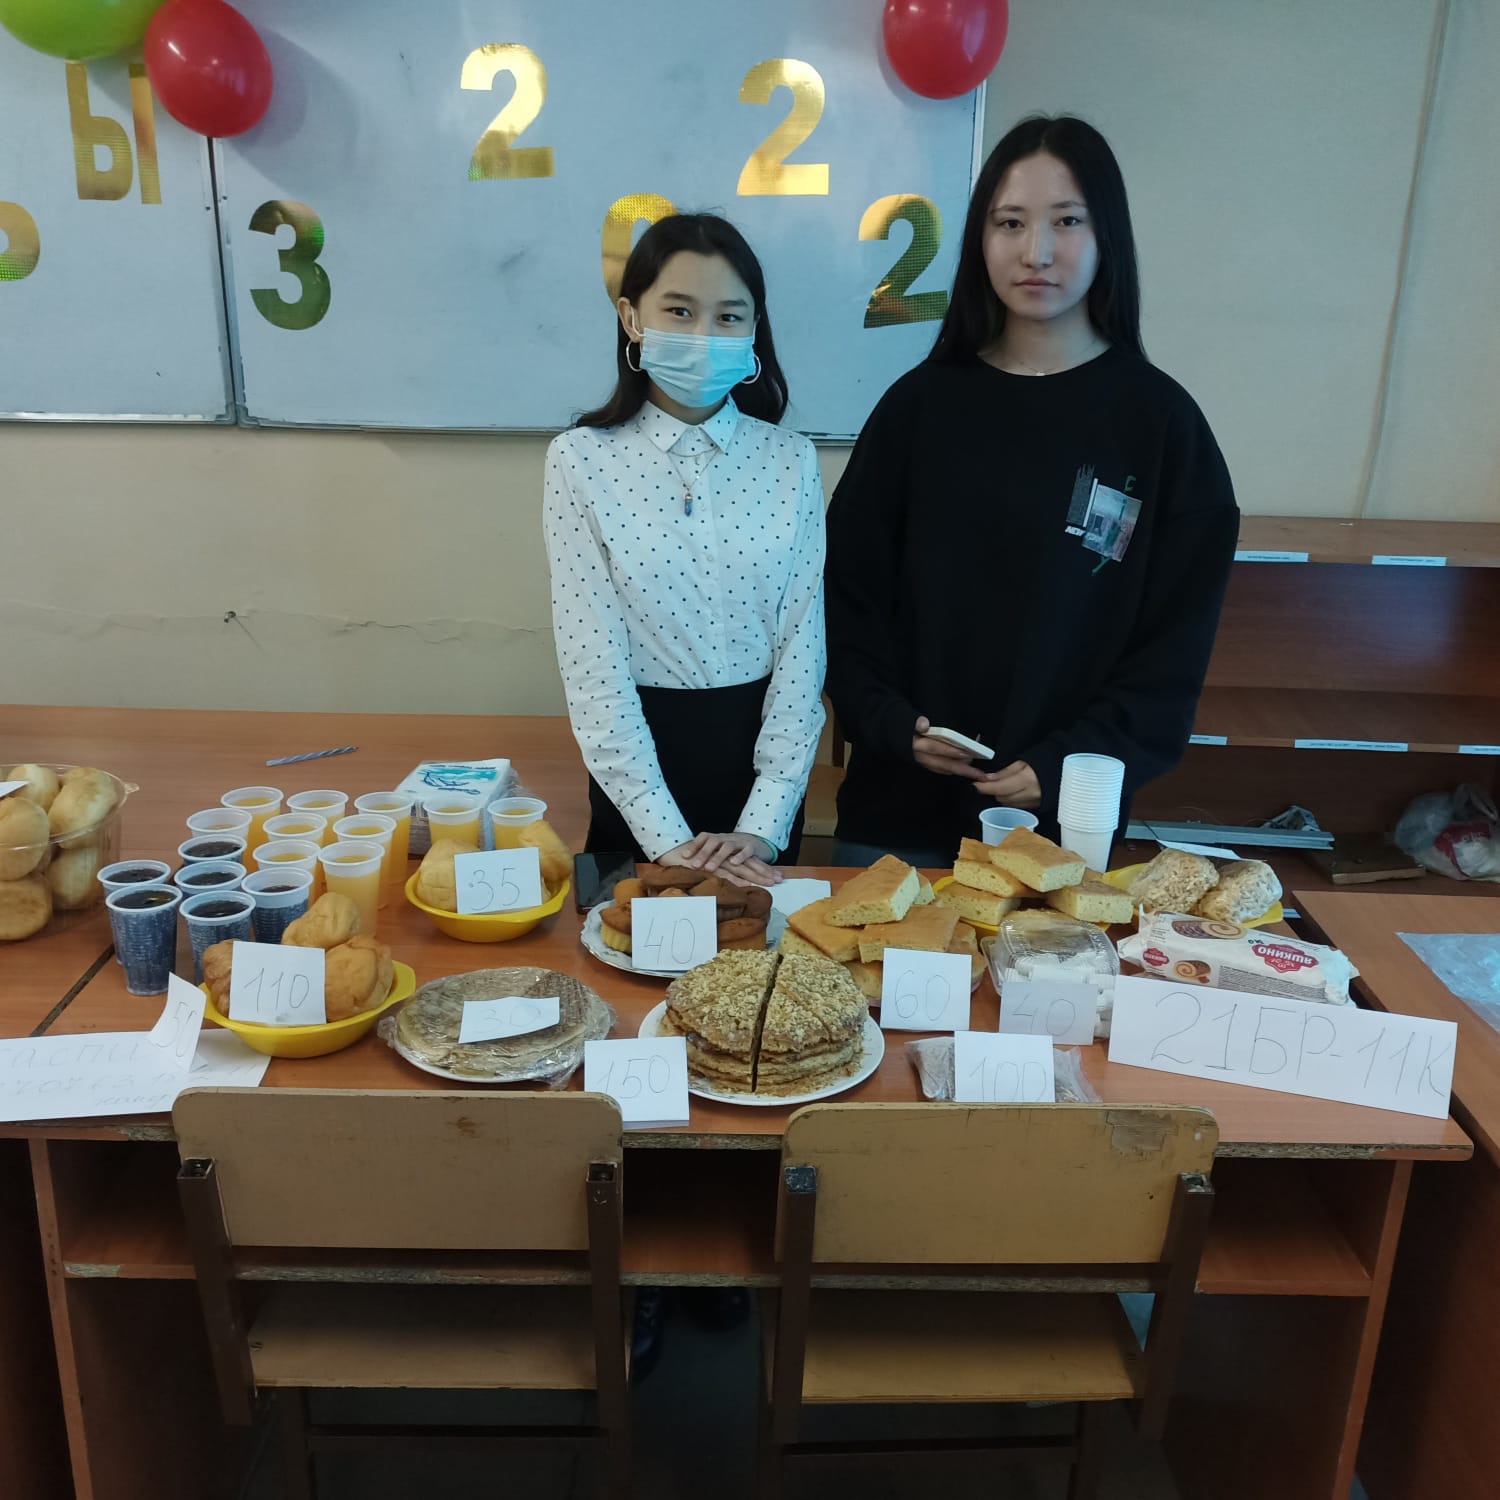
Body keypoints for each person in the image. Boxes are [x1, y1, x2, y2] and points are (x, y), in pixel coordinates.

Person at [824, 115, 1239, 865]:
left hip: (1064, 827)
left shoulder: (1161, 426)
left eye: (1067, 222)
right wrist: (889, 721)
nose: (1036, 252)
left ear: (1107, 236)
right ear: (980, 239)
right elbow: (847, 596)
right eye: (1010, 222)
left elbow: (1171, 652)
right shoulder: (918, 407)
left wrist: (1067, 762)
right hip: (896, 816)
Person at [544, 213, 825, 886]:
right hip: (633, 777)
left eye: (729, 317)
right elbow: (592, 663)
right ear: (632, 318)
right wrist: (665, 837)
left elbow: (802, 648)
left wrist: (764, 822)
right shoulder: (579, 460)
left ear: (754, 329)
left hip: (762, 779)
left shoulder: (791, 460)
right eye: (679, 310)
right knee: (626, 944)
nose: (703, 336)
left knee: (762, 950)